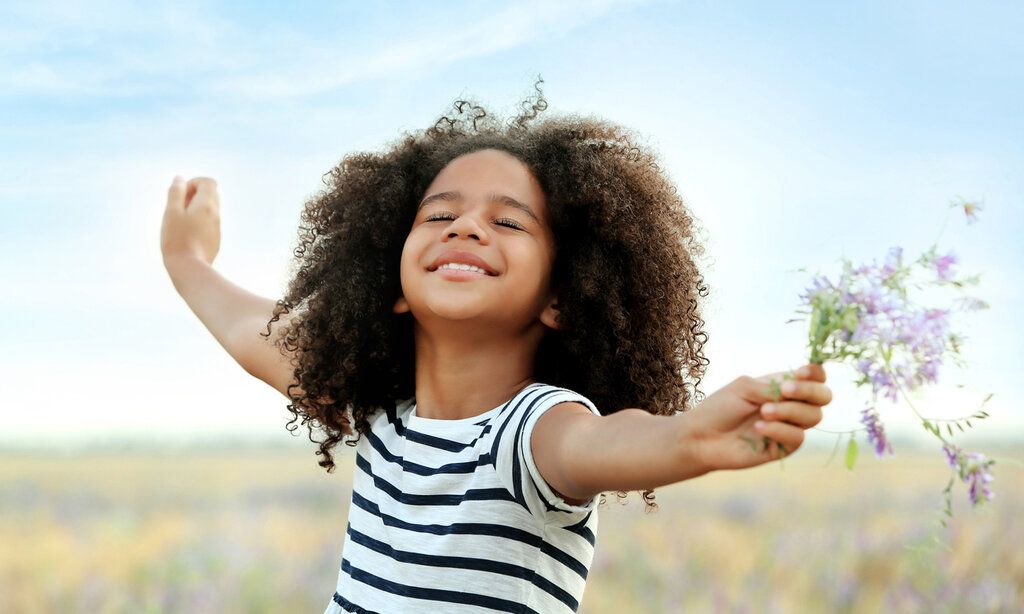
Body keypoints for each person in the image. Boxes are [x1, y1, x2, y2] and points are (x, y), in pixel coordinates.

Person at [160, 79, 832, 613]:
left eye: (508, 222)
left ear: (561, 297)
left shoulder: (528, 433)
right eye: (440, 214)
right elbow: (255, 335)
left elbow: (602, 444)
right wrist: (187, 258)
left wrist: (687, 439)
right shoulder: (384, 416)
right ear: (391, 284)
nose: (467, 227)